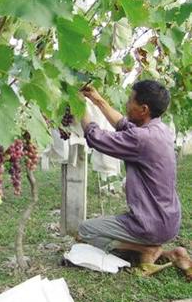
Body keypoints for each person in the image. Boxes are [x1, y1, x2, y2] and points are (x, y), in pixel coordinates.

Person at [78, 79, 191, 279]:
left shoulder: (142, 139)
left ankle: (146, 250)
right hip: (168, 219)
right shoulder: (160, 130)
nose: (127, 103)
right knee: (111, 226)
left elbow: (95, 137)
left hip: (150, 223)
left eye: (130, 100)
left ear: (143, 109)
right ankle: (169, 254)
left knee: (86, 231)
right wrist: (97, 100)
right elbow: (122, 124)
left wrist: (77, 105)